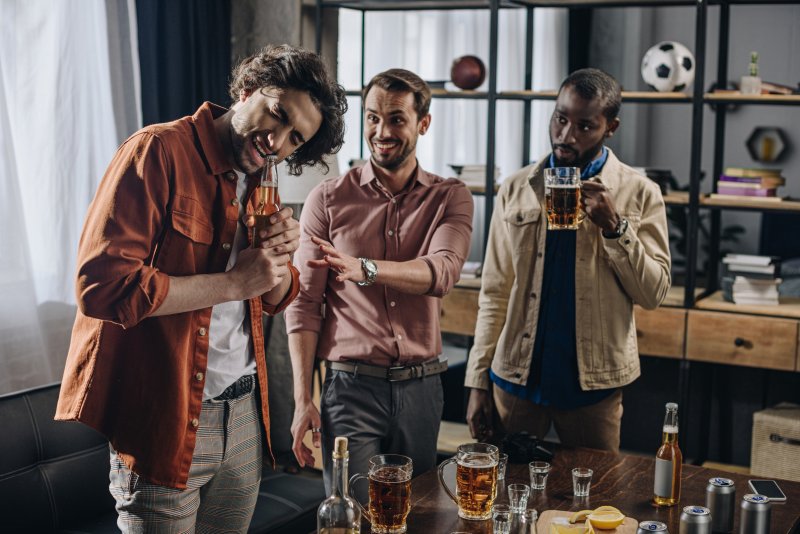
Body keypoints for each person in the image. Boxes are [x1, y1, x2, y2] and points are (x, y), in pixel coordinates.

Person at [55, 44, 347, 532]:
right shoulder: (157, 150)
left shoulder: (261, 176)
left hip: (246, 420)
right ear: (248, 88)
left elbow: (274, 297)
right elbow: (102, 286)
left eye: (295, 138)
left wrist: (280, 256)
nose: (277, 141)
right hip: (165, 423)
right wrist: (234, 282)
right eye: (277, 114)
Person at [285, 68, 474, 493]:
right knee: (352, 516)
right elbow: (303, 304)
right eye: (372, 118)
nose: (381, 131)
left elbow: (442, 271)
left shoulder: (450, 196)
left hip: (422, 389)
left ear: (423, 123)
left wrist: (365, 269)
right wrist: (302, 400)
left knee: (417, 514)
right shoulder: (328, 199)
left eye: (396, 119)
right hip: (350, 389)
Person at [464, 68, 671, 453]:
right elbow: (494, 293)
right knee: (510, 498)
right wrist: (477, 382)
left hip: (592, 388)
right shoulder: (515, 187)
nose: (565, 136)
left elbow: (654, 292)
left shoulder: (640, 193)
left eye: (584, 126)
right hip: (515, 382)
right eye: (560, 118)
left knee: (595, 501)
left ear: (611, 127)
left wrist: (615, 227)